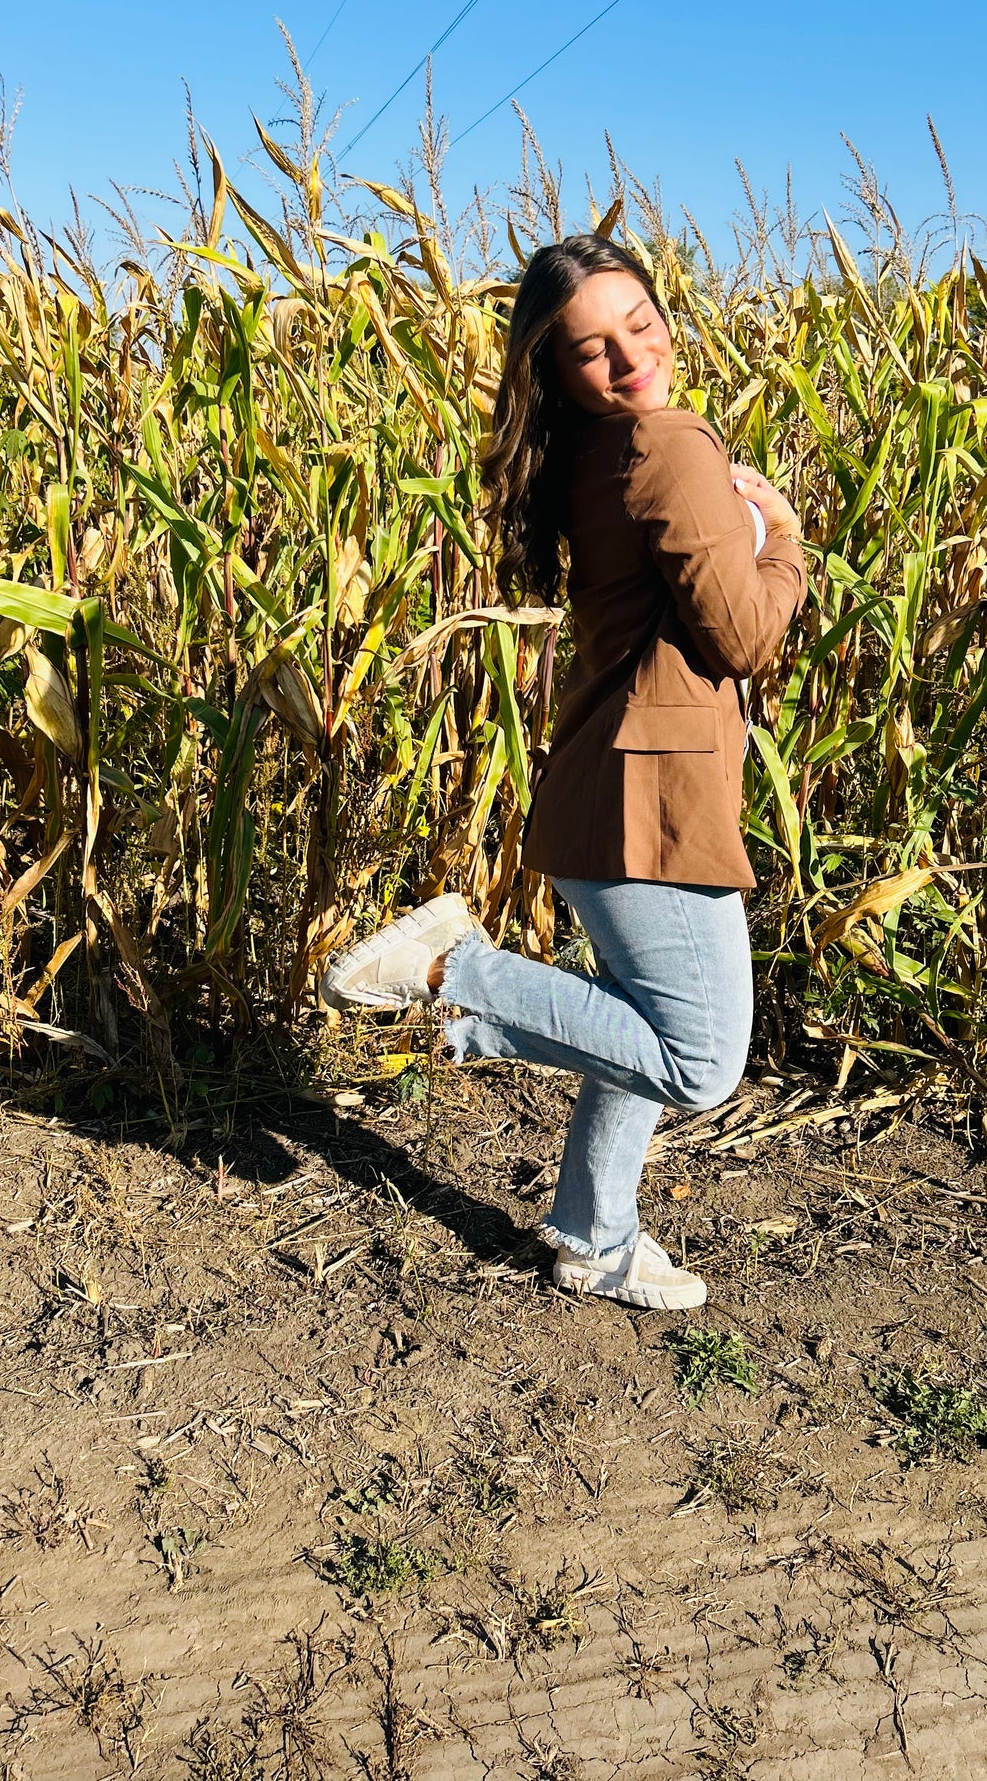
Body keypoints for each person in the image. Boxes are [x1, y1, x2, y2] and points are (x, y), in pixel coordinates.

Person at [323, 234, 805, 1312]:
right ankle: (455, 969)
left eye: (637, 322)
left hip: (613, 784)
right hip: (653, 800)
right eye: (591, 348)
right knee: (697, 1059)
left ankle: (595, 1239)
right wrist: (782, 537)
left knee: (633, 1029)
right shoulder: (667, 444)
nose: (630, 356)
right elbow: (742, 639)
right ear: (554, 369)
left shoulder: (594, 453)